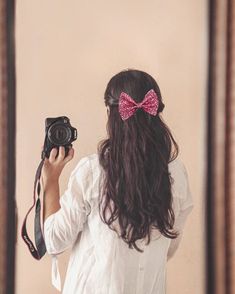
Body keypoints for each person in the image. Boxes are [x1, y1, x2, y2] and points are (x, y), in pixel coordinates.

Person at [42, 69, 194, 294]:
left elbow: (54, 240)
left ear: (110, 113)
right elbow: (167, 249)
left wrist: (51, 180)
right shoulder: (177, 174)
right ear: (155, 111)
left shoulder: (92, 172)